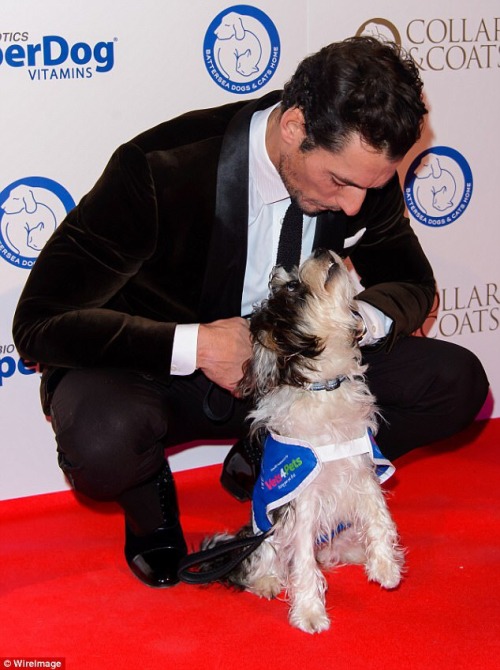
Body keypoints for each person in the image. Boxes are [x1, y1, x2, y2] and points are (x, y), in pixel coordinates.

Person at [13, 36, 488, 588]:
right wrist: (198, 345)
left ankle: (273, 458)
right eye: (339, 181)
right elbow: (39, 321)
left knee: (455, 381)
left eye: (372, 186)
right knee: (100, 437)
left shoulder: (364, 173)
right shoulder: (160, 170)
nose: (355, 205)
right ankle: (152, 516)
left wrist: (350, 326)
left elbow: (410, 283)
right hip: (168, 377)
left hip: (298, 383)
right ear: (294, 127)